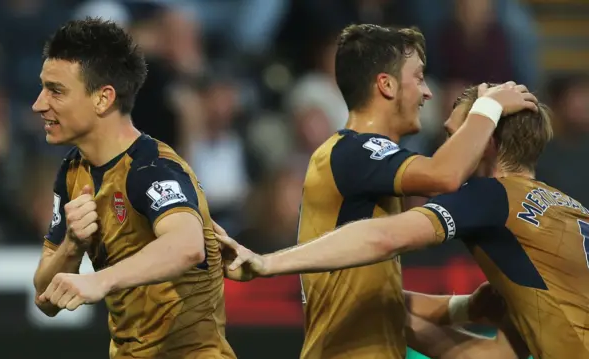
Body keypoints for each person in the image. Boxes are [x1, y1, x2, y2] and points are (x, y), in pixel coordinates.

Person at [225, 23, 536, 359]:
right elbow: (444, 175)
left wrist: (464, 307)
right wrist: (488, 107)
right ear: (386, 85)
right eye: (418, 77)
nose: (427, 92)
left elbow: (377, 299)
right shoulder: (353, 151)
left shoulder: (360, 169)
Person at [31, 18, 235, 359]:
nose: (39, 103)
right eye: (43, 87)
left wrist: (99, 280)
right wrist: (72, 245)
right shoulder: (72, 172)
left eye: (56, 90)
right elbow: (45, 297)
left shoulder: (151, 169)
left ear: (102, 99)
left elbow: (187, 246)